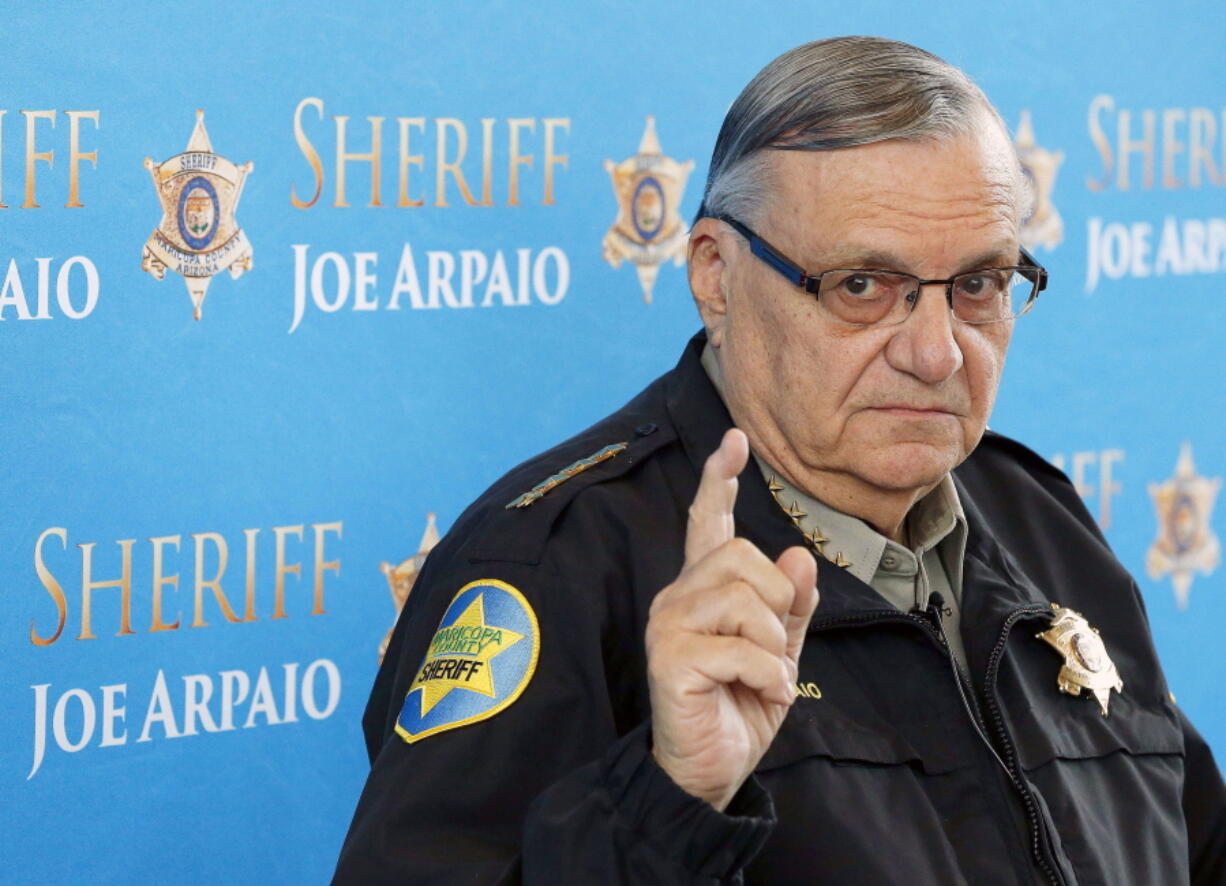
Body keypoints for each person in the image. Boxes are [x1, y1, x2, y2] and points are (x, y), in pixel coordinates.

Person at [333, 36, 1226, 885]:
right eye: (863, 287)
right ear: (716, 275)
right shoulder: (555, 565)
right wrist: (673, 798)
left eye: (978, 286)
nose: (938, 353)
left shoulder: (1041, 518)